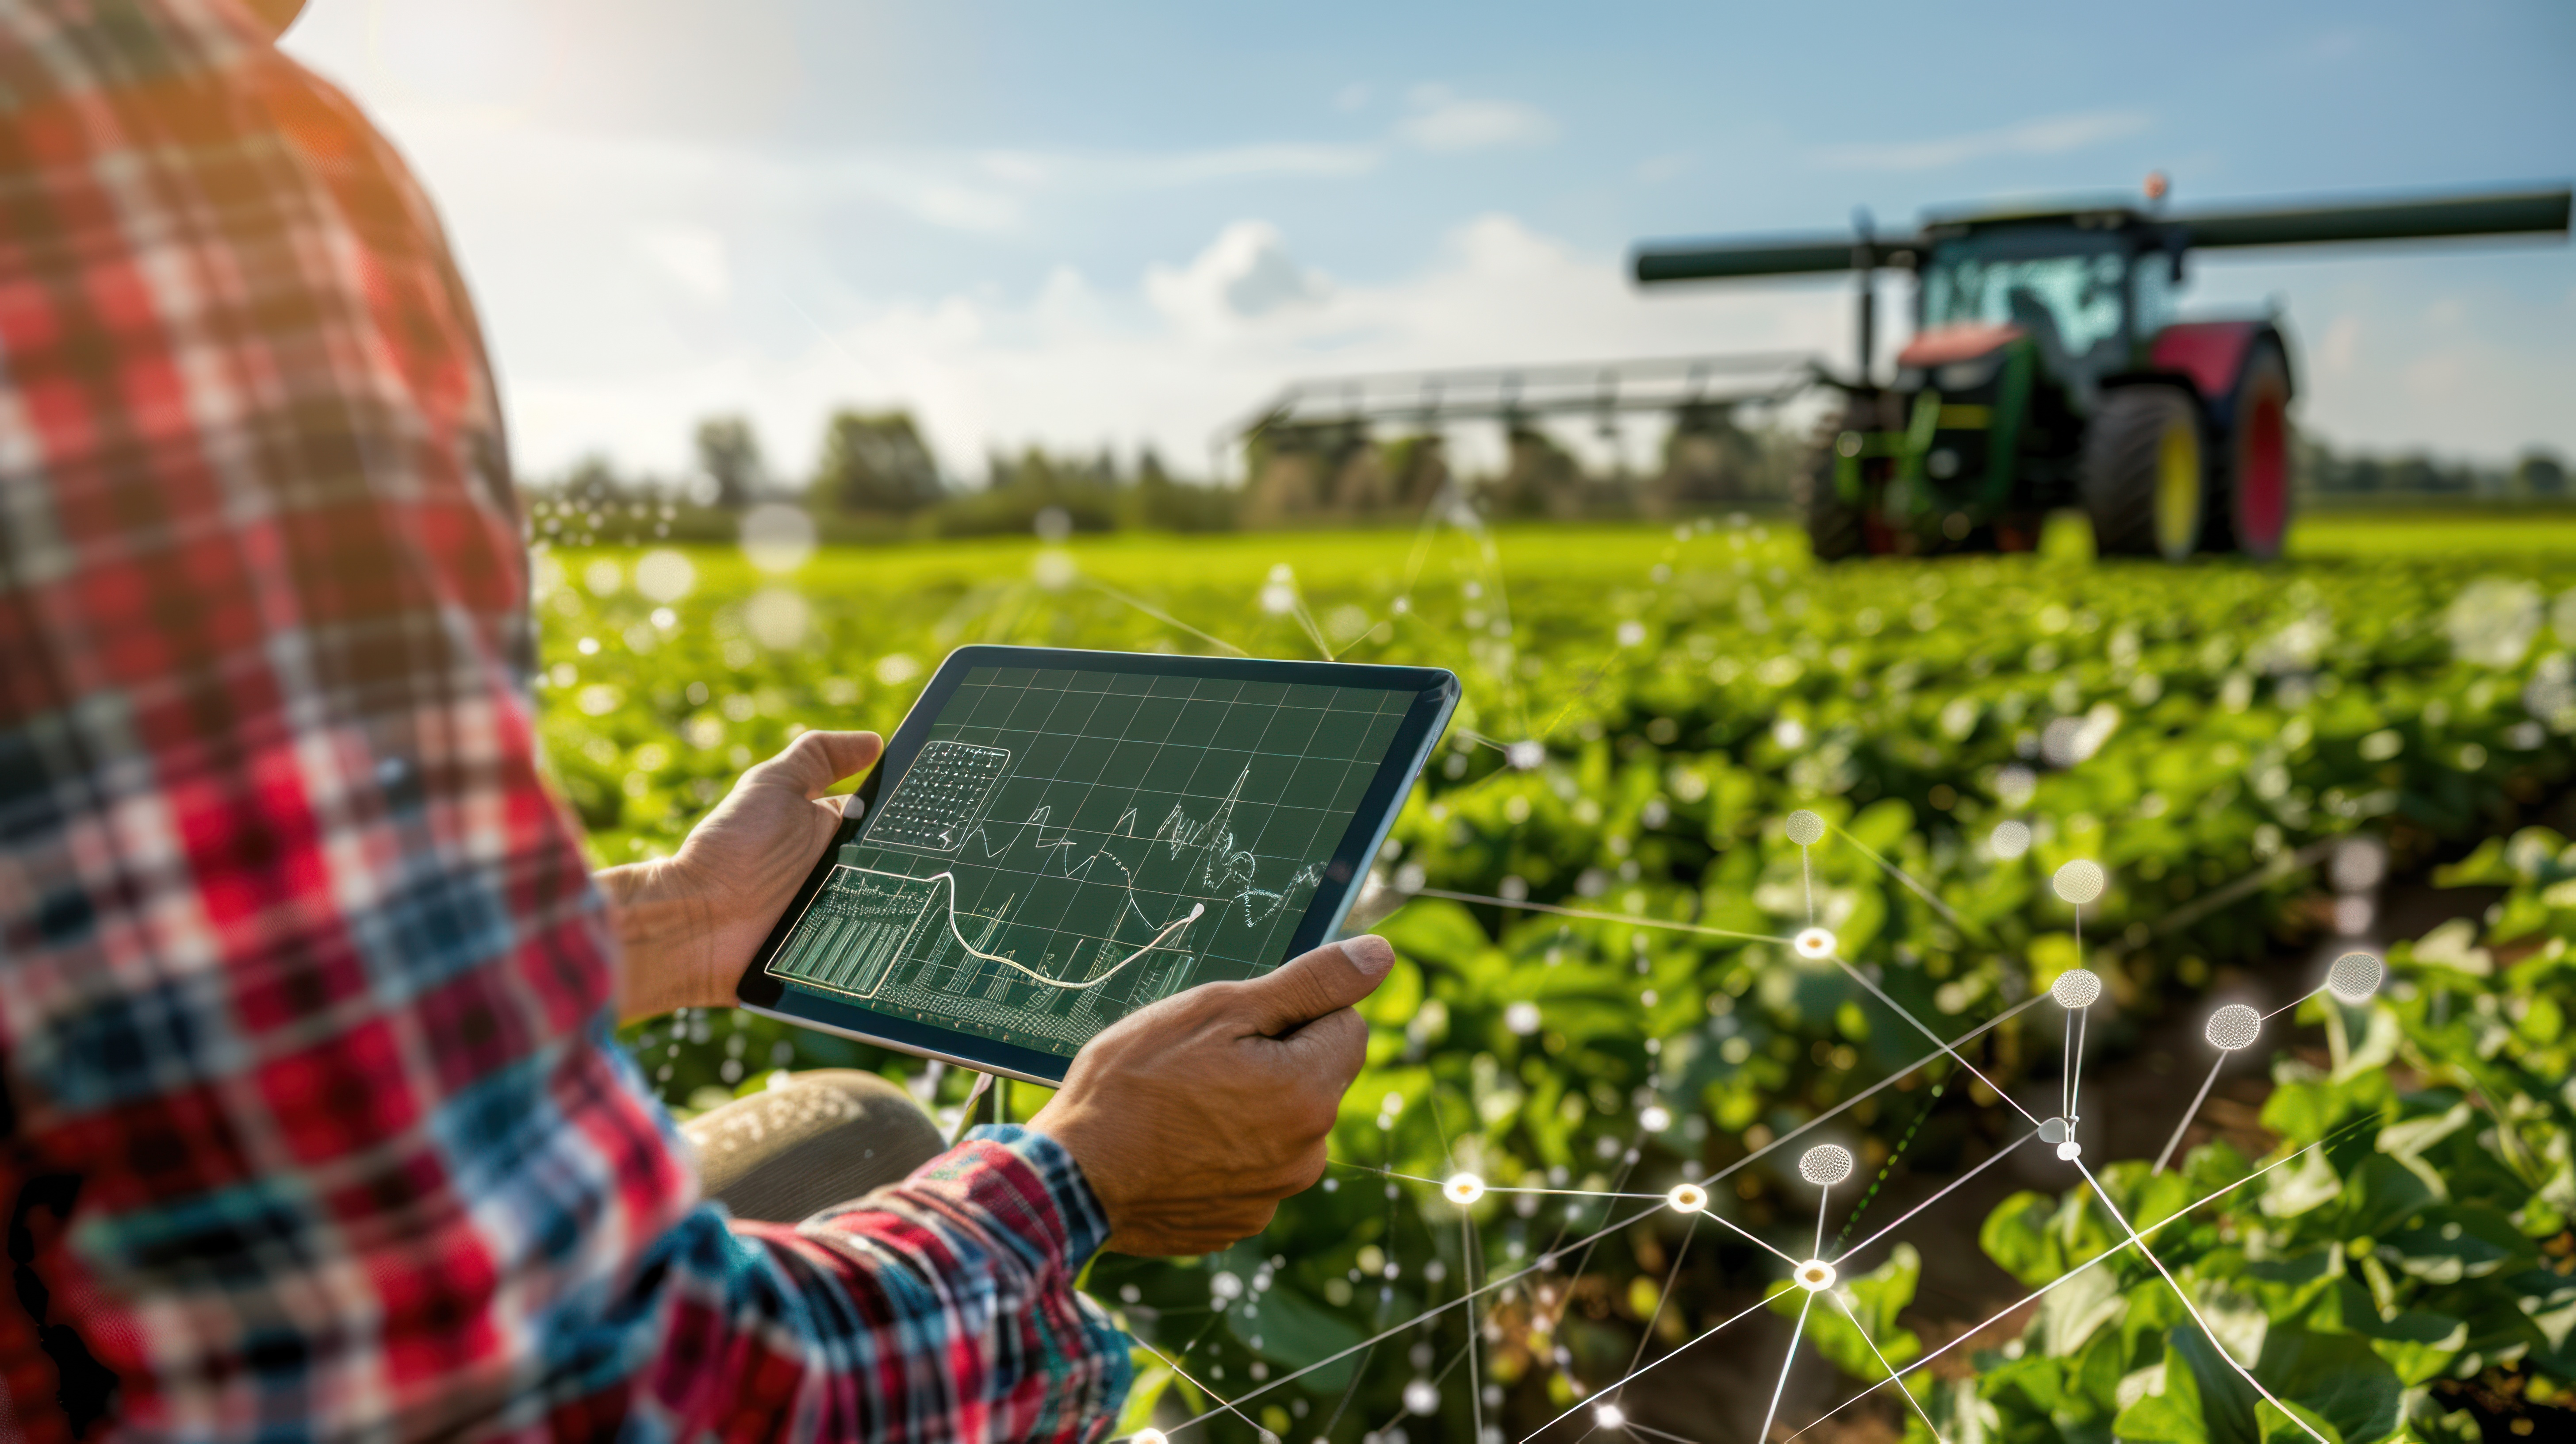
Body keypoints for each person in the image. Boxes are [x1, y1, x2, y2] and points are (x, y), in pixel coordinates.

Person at [0, 0, 1389, 1438]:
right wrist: (1077, 1184)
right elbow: (541, 1391)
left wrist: (684, 918)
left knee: (856, 1126)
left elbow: (177, 984)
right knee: (886, 1149)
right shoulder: (141, 136)